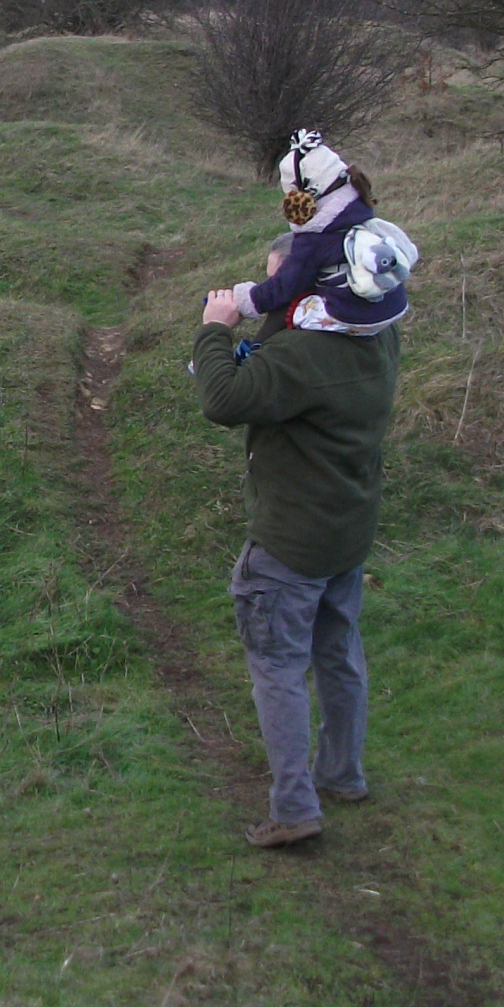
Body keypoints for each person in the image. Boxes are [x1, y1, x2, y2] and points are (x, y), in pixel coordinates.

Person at [191, 217, 414, 849]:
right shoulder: (375, 334)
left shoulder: (303, 356)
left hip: (289, 542)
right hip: (346, 527)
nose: (270, 293)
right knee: (338, 651)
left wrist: (215, 329)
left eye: (279, 282)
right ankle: (342, 774)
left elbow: (224, 400)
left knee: (277, 669)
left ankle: (293, 807)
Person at [229, 130, 417, 336]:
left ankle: (257, 350)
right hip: (394, 306)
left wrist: (249, 299)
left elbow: (286, 284)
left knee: (294, 308)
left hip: (355, 317)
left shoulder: (314, 239)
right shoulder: (362, 212)